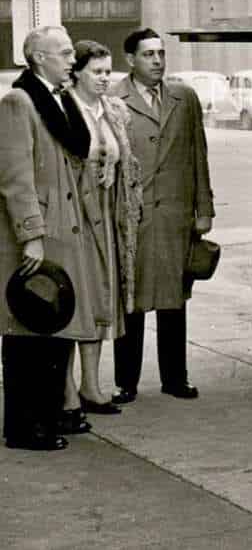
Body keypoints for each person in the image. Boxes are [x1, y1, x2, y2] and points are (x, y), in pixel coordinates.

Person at [0, 25, 98, 450]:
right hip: (41, 238)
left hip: (63, 234)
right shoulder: (18, 102)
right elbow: (15, 179)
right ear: (38, 58)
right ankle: (25, 428)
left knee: (53, 331)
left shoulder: (57, 101)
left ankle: (49, 416)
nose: (71, 59)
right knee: (27, 336)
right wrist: (30, 237)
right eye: (62, 53)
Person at [111, 28, 213, 402]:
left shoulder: (184, 98)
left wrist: (205, 208)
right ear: (130, 59)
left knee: (174, 300)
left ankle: (175, 378)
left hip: (175, 215)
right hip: (131, 217)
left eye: (161, 54)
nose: (157, 61)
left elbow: (198, 155)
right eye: (148, 54)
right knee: (132, 301)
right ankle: (126, 382)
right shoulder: (112, 99)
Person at [62, 41, 142, 416]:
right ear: (76, 72)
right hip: (76, 215)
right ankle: (66, 392)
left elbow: (128, 163)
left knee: (101, 299)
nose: (104, 78)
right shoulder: (64, 109)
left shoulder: (114, 110)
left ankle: (91, 385)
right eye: (96, 71)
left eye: (108, 71)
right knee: (74, 300)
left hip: (108, 216)